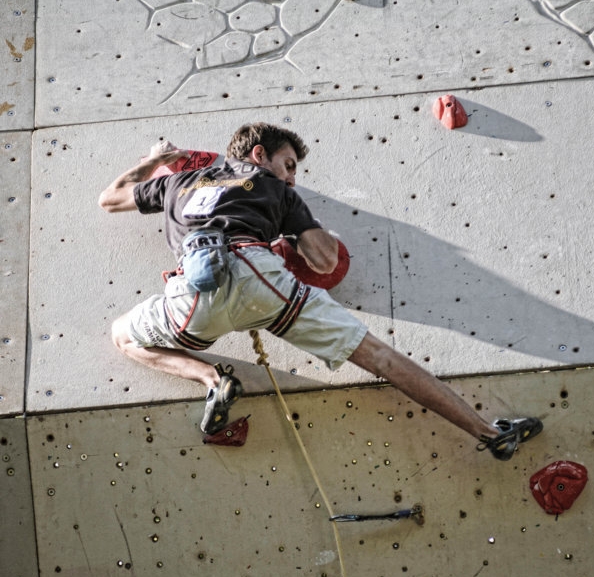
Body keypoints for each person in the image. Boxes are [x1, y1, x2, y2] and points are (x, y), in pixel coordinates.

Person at [99, 122, 542, 459]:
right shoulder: (274, 188)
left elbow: (110, 198)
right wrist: (295, 233)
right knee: (380, 357)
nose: (292, 177)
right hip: (261, 279)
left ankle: (212, 380)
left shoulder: (177, 182)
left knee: (122, 336)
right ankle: (489, 433)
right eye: (289, 164)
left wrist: (159, 159)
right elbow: (325, 260)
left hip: (193, 294)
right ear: (259, 154)